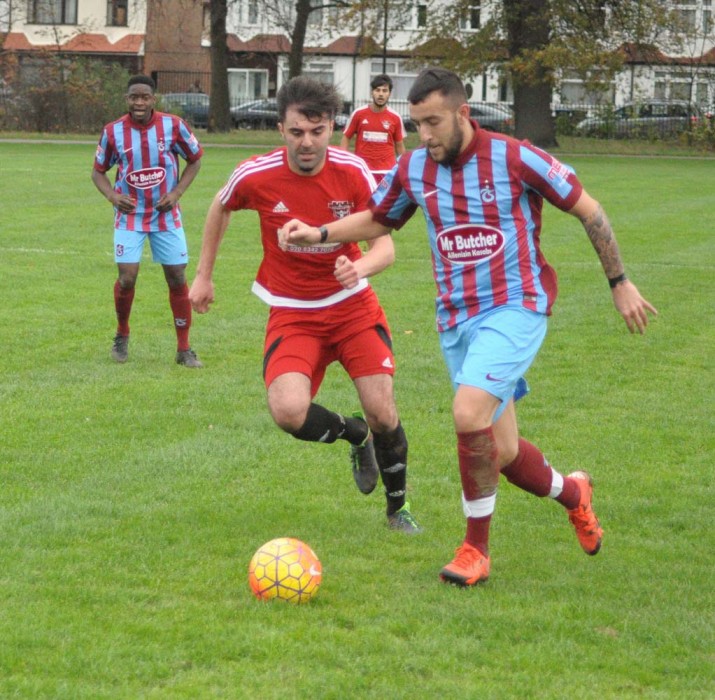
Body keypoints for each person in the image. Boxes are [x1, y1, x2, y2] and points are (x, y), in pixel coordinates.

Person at [280, 67, 658, 586]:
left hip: (516, 307)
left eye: (433, 122)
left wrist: (619, 281)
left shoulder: (515, 156)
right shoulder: (414, 167)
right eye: (416, 124)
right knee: (500, 452)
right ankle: (574, 493)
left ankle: (474, 551)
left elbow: (590, 211)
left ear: (463, 113)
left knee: (467, 411)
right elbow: (378, 219)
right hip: (456, 320)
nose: (425, 135)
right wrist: (319, 233)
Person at [188, 76, 421, 533]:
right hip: (293, 311)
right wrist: (203, 275)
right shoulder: (255, 174)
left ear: (331, 127)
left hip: (353, 309)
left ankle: (398, 509)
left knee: (383, 411)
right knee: (288, 412)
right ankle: (355, 435)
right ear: (281, 129)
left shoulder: (354, 172)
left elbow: (385, 248)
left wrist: (362, 268)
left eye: (316, 132)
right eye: (296, 132)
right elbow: (221, 207)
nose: (307, 143)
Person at [92, 74, 203, 368]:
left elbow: (195, 159)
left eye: (144, 97)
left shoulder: (174, 126)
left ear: (153, 99)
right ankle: (122, 334)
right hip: (130, 216)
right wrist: (113, 198)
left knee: (177, 277)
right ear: (127, 99)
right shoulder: (113, 131)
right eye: (133, 97)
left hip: (165, 215)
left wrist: (177, 192)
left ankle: (184, 348)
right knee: (127, 278)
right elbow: (98, 172)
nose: (139, 102)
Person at [340, 74, 406, 184]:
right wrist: (343, 162)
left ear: (389, 94)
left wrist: (404, 170)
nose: (381, 94)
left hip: (387, 171)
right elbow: (346, 138)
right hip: (363, 170)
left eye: (385, 91)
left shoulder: (395, 117)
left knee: (383, 202)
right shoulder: (358, 114)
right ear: (372, 92)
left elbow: (399, 146)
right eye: (377, 90)